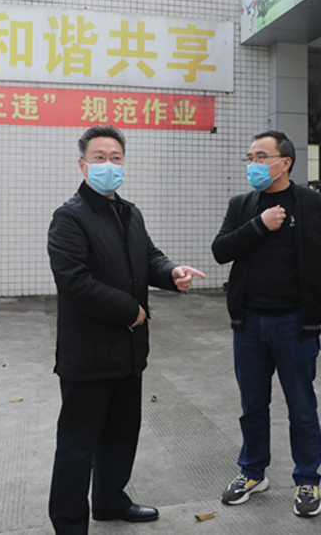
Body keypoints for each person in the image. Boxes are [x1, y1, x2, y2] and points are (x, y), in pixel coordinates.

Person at [46, 125, 205, 535]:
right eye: (99, 158)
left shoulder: (130, 213)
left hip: (128, 351)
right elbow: (74, 280)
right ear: (82, 165)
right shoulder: (69, 217)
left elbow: (148, 258)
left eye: (115, 158)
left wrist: (172, 272)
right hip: (88, 353)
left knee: (121, 434)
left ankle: (109, 501)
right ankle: (69, 524)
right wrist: (129, 310)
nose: (108, 165)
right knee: (78, 445)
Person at [211, 130, 321, 518]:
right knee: (252, 406)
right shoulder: (242, 206)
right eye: (250, 157)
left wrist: (310, 300)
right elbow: (221, 250)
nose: (253, 164)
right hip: (249, 325)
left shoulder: (316, 205)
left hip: (294, 326)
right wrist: (259, 224)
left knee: (302, 408)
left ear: (285, 162)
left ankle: (308, 480)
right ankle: (252, 472)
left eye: (261, 156)